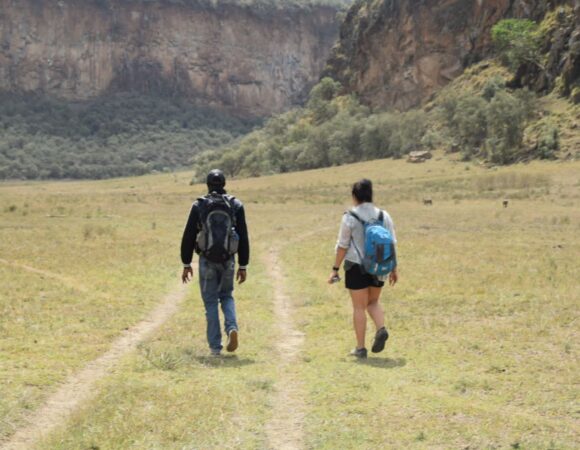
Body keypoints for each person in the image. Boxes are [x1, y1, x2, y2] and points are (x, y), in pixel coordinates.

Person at [181, 169, 250, 356]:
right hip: (229, 260)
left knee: (210, 302)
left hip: (206, 259)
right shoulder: (236, 204)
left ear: (208, 184)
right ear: (224, 184)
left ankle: (215, 348)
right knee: (227, 296)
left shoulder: (200, 205)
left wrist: (186, 263)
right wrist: (243, 265)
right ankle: (232, 328)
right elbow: (243, 237)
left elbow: (188, 236)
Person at [328, 179, 398, 359]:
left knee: (359, 307)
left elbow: (342, 245)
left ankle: (360, 348)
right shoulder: (384, 215)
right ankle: (381, 328)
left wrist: (335, 268)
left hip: (356, 266)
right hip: (379, 266)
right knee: (372, 302)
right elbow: (392, 243)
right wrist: (393, 269)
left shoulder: (350, 216)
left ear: (354, 196)